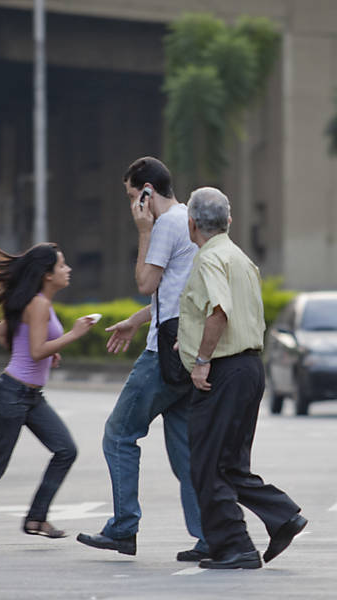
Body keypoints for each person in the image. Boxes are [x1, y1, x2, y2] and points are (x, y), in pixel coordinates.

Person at [76, 157, 208, 561]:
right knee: (185, 451)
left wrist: (143, 231)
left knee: (118, 434)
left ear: (148, 191)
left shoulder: (165, 225)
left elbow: (146, 282)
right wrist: (135, 320)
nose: (133, 204)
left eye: (134, 196)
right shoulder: (188, 219)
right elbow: (173, 295)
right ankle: (208, 534)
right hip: (185, 349)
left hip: (161, 357)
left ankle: (123, 528)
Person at [178, 187, 307, 570]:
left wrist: (201, 360)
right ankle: (282, 516)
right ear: (229, 221)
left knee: (207, 464)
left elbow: (219, 312)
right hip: (249, 368)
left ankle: (237, 547)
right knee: (230, 464)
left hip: (223, 371)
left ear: (191, 224)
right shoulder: (240, 258)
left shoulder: (209, 260)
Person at [0, 243, 96, 550]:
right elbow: (35, 350)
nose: (68, 270)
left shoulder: (32, 302)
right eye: (61, 266)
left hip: (30, 396)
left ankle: (36, 518)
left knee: (65, 450)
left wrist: (41, 355)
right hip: (12, 394)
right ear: (47, 275)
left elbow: (2, 335)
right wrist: (71, 335)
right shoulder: (37, 305)